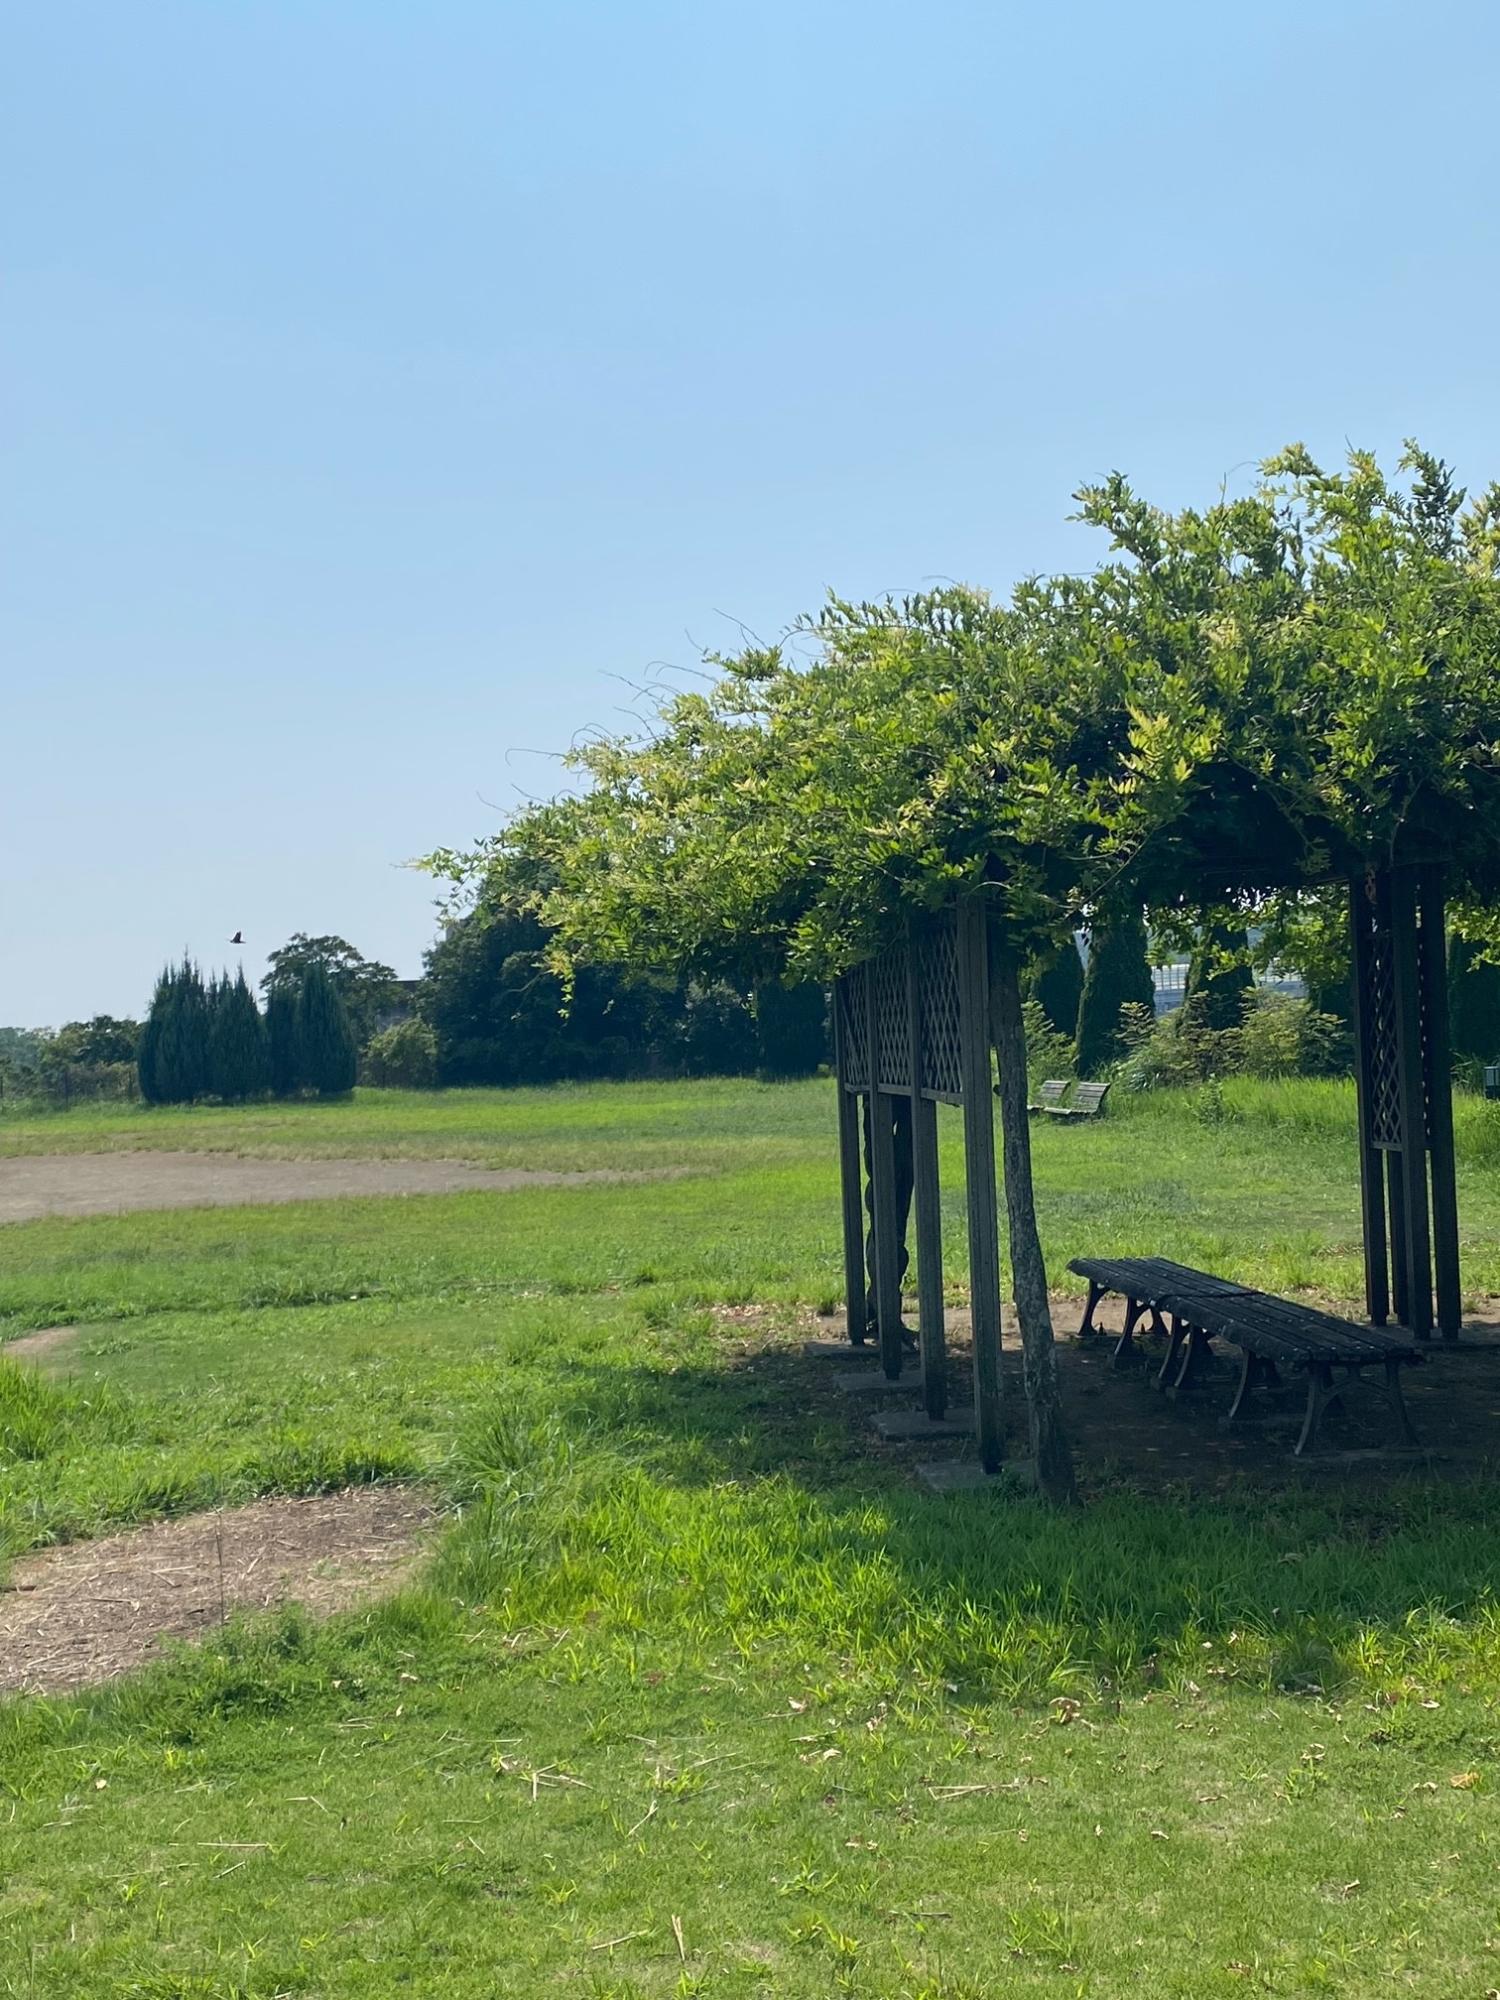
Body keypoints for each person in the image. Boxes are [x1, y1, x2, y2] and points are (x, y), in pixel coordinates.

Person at [862, 1093, 917, 1348]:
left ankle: (879, 1303)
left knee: (890, 1215)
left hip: (891, 1093)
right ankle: (882, 1306)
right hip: (883, 1090)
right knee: (886, 1213)